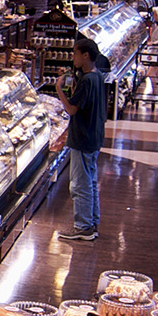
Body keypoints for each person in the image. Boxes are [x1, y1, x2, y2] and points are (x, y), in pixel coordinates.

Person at [56, 37, 110, 243]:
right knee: (90, 182)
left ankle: (83, 226)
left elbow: (71, 109)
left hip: (82, 138)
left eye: (75, 54)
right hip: (94, 136)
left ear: (85, 55)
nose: (73, 58)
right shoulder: (96, 76)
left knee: (79, 184)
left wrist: (59, 89)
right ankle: (91, 223)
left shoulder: (87, 80)